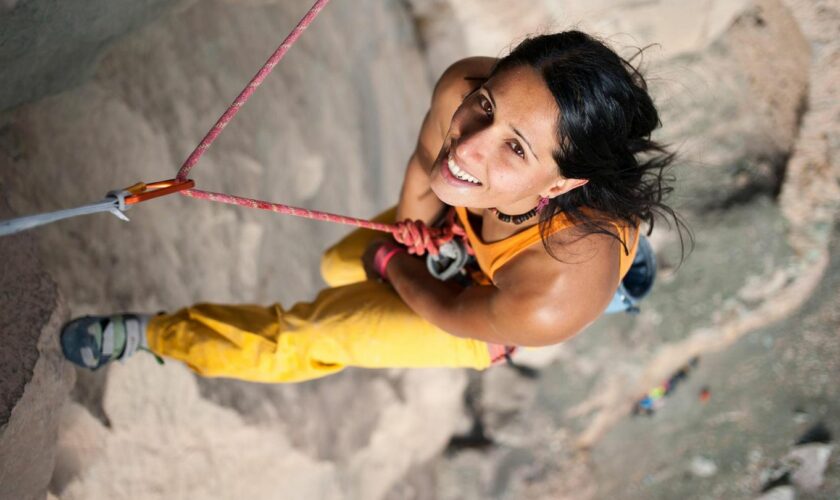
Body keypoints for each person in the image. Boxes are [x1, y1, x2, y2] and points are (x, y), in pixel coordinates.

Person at [60, 31, 686, 383]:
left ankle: (148, 336)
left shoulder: (556, 293)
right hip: (458, 232)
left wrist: (394, 261)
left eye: (514, 148)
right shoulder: (464, 86)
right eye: (488, 108)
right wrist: (418, 229)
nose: (467, 145)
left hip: (482, 305)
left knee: (313, 331)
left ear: (555, 187)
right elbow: (427, 168)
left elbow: (452, 310)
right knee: (339, 267)